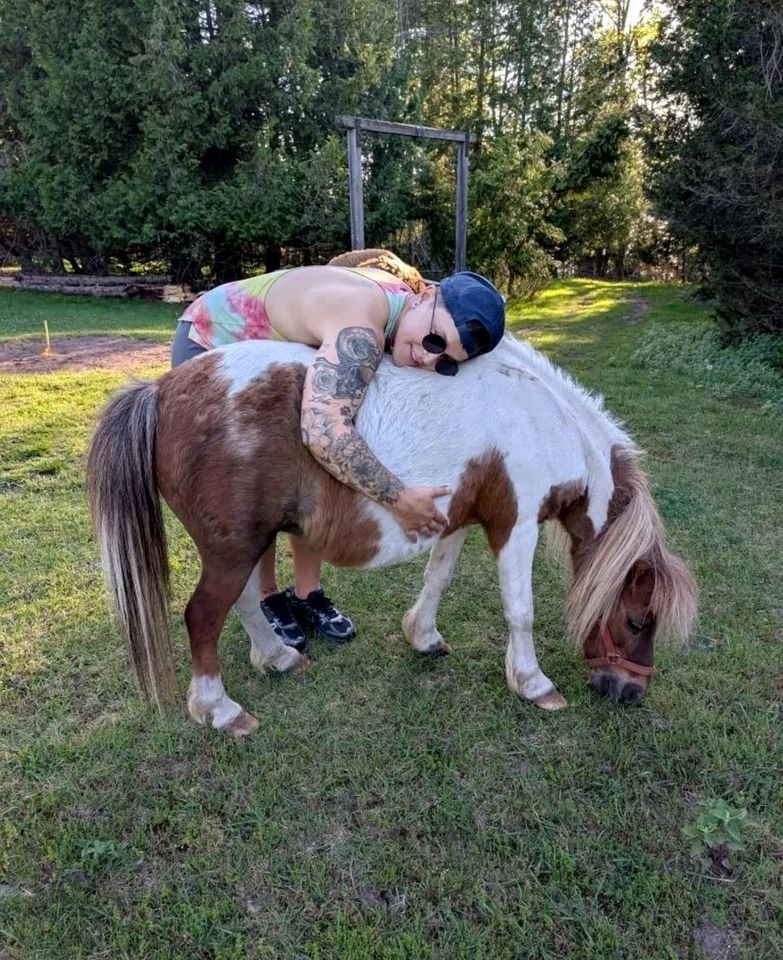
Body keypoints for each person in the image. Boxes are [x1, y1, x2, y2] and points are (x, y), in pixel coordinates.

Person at [170, 258, 506, 652]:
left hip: (280, 348)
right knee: (263, 486)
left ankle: (307, 594)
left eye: (447, 363)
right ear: (426, 297)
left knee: (312, 472)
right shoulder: (360, 327)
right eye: (435, 341)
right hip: (214, 339)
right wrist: (400, 500)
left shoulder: (409, 307)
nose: (430, 360)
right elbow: (324, 432)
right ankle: (268, 596)